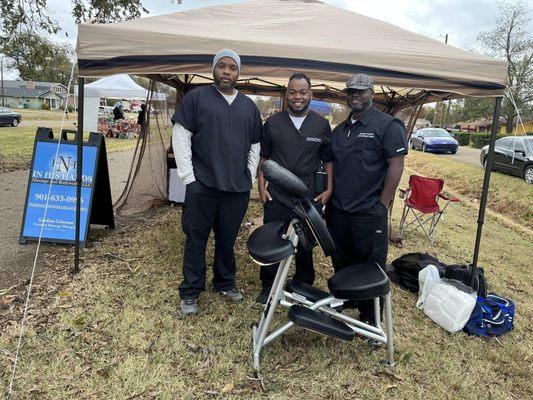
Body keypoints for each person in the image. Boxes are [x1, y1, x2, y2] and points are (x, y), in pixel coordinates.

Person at [171, 49, 262, 315]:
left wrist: (248, 175)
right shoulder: (196, 98)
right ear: (213, 69)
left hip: (236, 189)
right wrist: (189, 178)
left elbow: (255, 145)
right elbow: (181, 135)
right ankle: (190, 290)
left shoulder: (249, 107)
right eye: (221, 66)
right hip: (203, 185)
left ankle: (224, 282)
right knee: (196, 238)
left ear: (238, 73)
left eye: (232, 67)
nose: (226, 71)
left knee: (226, 239)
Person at [326, 74, 407, 324]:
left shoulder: (387, 125)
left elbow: (396, 165)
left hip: (369, 211)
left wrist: (382, 203)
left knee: (371, 265)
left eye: (361, 91)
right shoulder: (340, 130)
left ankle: (371, 316)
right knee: (342, 259)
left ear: (372, 93)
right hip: (338, 210)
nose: (356, 96)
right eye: (351, 92)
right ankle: (349, 299)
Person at [256, 73, 333, 304]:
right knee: (273, 238)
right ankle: (268, 286)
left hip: (307, 195)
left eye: (302, 92)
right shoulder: (273, 124)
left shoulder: (321, 125)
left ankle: (302, 284)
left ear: (310, 94)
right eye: (293, 91)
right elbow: (264, 158)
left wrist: (329, 188)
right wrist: (261, 186)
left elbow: (329, 160)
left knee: (305, 243)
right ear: (286, 94)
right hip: (277, 194)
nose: (297, 96)